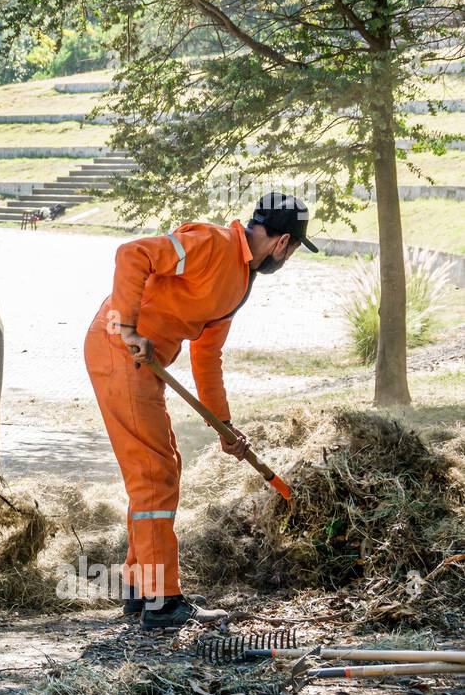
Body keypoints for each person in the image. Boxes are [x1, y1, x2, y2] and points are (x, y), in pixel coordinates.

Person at [84, 192, 317, 630]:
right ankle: (161, 600)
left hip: (143, 362)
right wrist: (129, 328)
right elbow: (132, 254)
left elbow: (207, 357)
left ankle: (140, 588)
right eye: (293, 250)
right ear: (283, 243)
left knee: (165, 467)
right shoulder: (212, 243)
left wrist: (223, 426)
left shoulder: (240, 281)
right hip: (120, 350)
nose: (288, 258)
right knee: (152, 474)